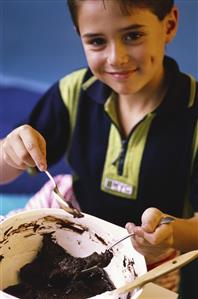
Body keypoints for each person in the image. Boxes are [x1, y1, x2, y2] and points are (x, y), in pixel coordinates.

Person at [0, 0, 197, 293]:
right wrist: (8, 153)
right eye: (96, 41)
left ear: (168, 25)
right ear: (79, 34)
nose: (116, 58)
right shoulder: (72, 93)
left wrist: (173, 234)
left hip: (156, 254)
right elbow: (3, 175)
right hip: (74, 216)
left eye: (133, 36)